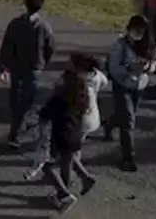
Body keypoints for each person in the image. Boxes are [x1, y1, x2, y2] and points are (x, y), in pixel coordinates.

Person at [0, 0, 55, 150]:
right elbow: (50, 48)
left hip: (17, 66)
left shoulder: (15, 24)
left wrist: (4, 66)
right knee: (27, 101)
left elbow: (7, 46)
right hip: (34, 68)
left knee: (17, 96)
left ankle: (16, 126)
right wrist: (44, 63)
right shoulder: (44, 27)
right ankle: (17, 132)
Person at [37, 69, 97, 213]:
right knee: (69, 159)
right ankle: (85, 177)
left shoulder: (58, 100)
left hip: (60, 137)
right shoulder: (82, 97)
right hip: (74, 134)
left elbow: (45, 114)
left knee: (47, 165)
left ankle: (64, 194)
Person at [103, 14, 156, 171]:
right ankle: (128, 157)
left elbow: (154, 61)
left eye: (141, 31)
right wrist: (129, 69)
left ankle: (109, 124)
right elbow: (113, 68)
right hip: (122, 85)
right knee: (128, 121)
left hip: (139, 86)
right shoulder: (120, 45)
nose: (138, 34)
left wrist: (149, 67)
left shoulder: (148, 45)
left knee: (125, 115)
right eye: (135, 30)